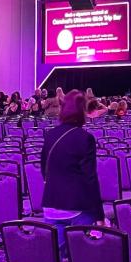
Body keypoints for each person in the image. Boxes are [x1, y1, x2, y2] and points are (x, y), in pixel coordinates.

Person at [40, 91, 105, 253]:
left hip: (50, 203)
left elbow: (43, 170)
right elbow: (90, 178)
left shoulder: (50, 135)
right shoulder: (85, 138)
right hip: (75, 207)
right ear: (81, 111)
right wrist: (99, 216)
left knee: (55, 257)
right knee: (83, 256)